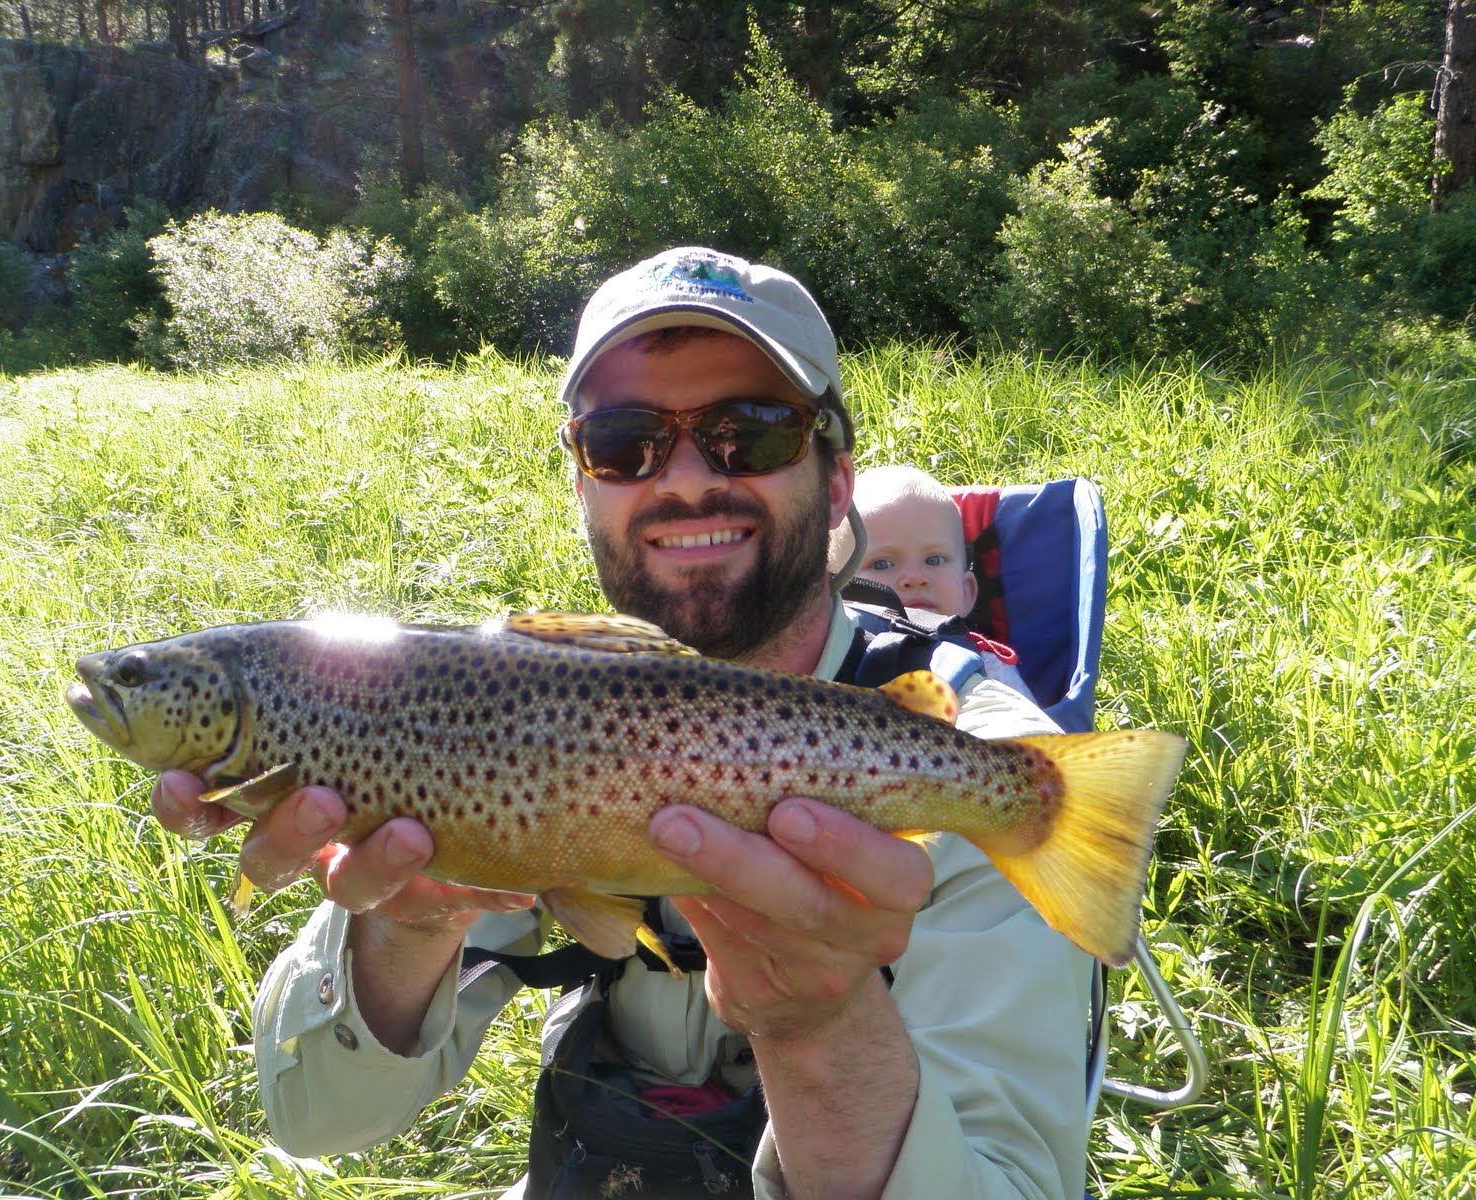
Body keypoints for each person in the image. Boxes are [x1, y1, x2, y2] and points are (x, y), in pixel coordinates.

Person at [150, 246, 1095, 1199]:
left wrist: (822, 1025)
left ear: (838, 481)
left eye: (751, 432)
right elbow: (320, 1124)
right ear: (583, 485)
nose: (685, 479)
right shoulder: (511, 707)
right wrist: (409, 919)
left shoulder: (995, 765)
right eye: (625, 440)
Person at [830, 463, 1038, 701]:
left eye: (934, 559)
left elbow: (1030, 735)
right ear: (837, 591)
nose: (915, 578)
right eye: (882, 564)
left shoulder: (991, 672)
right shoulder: (824, 659)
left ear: (968, 591)